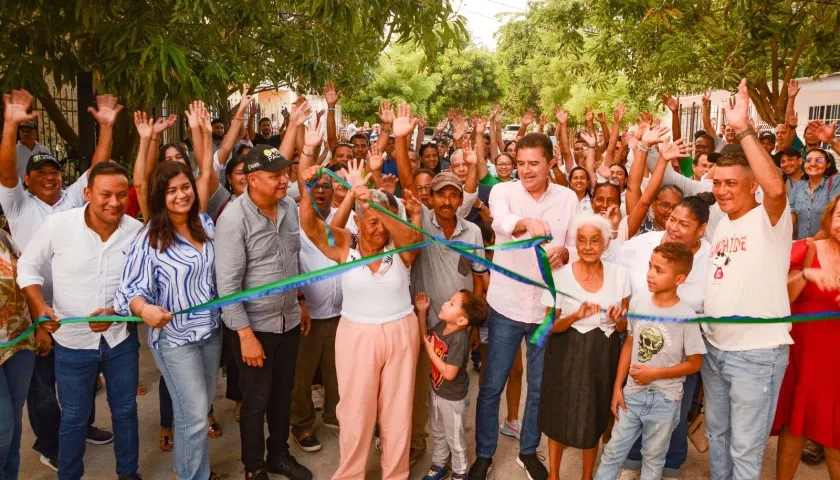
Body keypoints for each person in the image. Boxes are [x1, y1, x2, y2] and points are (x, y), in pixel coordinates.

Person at [298, 111, 424, 479]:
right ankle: (350, 473)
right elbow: (311, 226)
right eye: (368, 218)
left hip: (400, 332)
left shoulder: (400, 250)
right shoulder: (345, 250)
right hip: (356, 335)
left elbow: (409, 237)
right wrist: (309, 188)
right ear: (355, 221)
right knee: (355, 411)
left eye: (383, 220)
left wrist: (375, 204)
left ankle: (394, 474)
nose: (376, 225)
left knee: (397, 412)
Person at [1, 89, 118, 471]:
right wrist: (11, 123)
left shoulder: (72, 199)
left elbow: (99, 167)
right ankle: (49, 443)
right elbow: (5, 173)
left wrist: (105, 127)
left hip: (76, 308)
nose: (49, 177)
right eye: (40, 173)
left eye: (54, 171)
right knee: (42, 389)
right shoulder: (18, 203)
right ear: (27, 180)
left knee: (80, 377)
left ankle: (80, 425)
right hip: (36, 311)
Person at [115, 100, 221, 480]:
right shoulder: (150, 237)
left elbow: (207, 170)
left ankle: (191, 471)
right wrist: (145, 310)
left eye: (186, 187)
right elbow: (128, 291)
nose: (182, 195)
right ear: (161, 196)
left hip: (210, 333)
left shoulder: (205, 224)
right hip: (175, 340)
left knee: (199, 408)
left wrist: (203, 134)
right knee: (194, 415)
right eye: (172, 190)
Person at [18, 162, 144, 480]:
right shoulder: (59, 226)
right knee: (73, 417)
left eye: (120, 195)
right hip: (72, 344)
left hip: (120, 341)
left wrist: (116, 310)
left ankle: (128, 473)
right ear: (87, 193)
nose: (114, 202)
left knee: (126, 411)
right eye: (105, 194)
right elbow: (28, 267)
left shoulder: (135, 232)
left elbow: (144, 285)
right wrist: (39, 305)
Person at [469, 133, 578, 480]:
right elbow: (500, 220)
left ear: (551, 162)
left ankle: (528, 451)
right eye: (520, 164)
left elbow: (574, 244)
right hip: (505, 306)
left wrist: (565, 253)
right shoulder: (504, 192)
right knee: (492, 386)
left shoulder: (568, 197)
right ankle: (484, 454)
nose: (526, 170)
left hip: (547, 309)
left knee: (539, 386)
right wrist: (525, 223)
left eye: (534, 163)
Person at [214, 97, 312, 480]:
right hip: (253, 329)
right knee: (255, 401)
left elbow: (294, 262)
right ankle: (254, 467)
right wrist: (244, 335)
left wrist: (300, 301)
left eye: (285, 174)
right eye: (275, 176)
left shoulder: (287, 208)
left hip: (288, 321)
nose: (284, 180)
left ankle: (278, 455)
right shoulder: (233, 219)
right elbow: (228, 287)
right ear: (251, 179)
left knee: (281, 396)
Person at [702, 79, 793, 480]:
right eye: (717, 183)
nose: (721, 191)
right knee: (717, 435)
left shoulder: (770, 218)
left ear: (753, 186)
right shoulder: (721, 223)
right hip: (715, 350)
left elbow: (776, 186)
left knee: (745, 449)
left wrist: (743, 129)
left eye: (731, 184)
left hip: (756, 355)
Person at [615, 196, 712, 480]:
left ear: (701, 229)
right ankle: (632, 464)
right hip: (640, 344)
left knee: (675, 417)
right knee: (634, 411)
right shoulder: (644, 244)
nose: (674, 227)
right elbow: (610, 255)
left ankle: (671, 468)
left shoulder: (712, 257)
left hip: (681, 354)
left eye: (684, 224)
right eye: (672, 219)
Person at [595, 242, 706, 480]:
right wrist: (618, 388)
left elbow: (695, 363)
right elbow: (629, 345)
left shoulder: (686, 316)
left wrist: (654, 374)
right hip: (633, 394)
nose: (650, 274)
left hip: (665, 400)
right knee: (613, 452)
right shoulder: (638, 303)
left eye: (659, 270)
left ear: (679, 279)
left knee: (653, 459)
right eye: (649, 266)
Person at [538, 214, 631, 480]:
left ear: (605, 243)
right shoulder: (559, 277)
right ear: (575, 244)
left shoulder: (619, 275)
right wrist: (574, 316)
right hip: (565, 350)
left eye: (594, 241)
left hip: (602, 353)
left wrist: (618, 319)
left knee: (594, 413)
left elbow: (624, 328)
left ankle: (587, 476)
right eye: (582, 241)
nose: (588, 246)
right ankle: (553, 475)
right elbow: (548, 327)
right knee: (558, 411)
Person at [773, 196, 840, 480]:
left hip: (836, 366)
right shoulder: (808, 249)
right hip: (807, 359)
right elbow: (779, 300)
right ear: (829, 216)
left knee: (836, 435)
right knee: (795, 429)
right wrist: (806, 275)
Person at [289, 165, 343, 453]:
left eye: (326, 186)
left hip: (341, 312)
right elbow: (290, 262)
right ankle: (301, 424)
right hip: (308, 312)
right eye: (315, 186)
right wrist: (299, 301)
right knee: (301, 375)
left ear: (334, 191)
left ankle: (334, 414)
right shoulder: (295, 220)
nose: (321, 190)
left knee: (337, 370)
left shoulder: (345, 219)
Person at [415, 290, 489, 480]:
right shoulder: (443, 327)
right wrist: (422, 313)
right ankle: (439, 465)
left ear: (462, 321)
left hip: (453, 398)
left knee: (455, 438)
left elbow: (449, 373)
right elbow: (426, 339)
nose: (446, 303)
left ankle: (460, 471)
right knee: (438, 432)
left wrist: (431, 353)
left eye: (452, 303)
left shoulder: (459, 339)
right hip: (437, 392)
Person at [0, 229, 35, 480]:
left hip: (19, 342)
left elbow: (25, 279)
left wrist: (40, 326)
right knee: (3, 428)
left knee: (14, 423)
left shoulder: (3, 237)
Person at [789, 148, 840, 239]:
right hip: (804, 245)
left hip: (827, 245)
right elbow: (792, 215)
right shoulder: (799, 185)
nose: (813, 163)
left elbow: (834, 218)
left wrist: (812, 242)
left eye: (819, 160)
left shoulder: (835, 181)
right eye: (809, 160)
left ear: (828, 164)